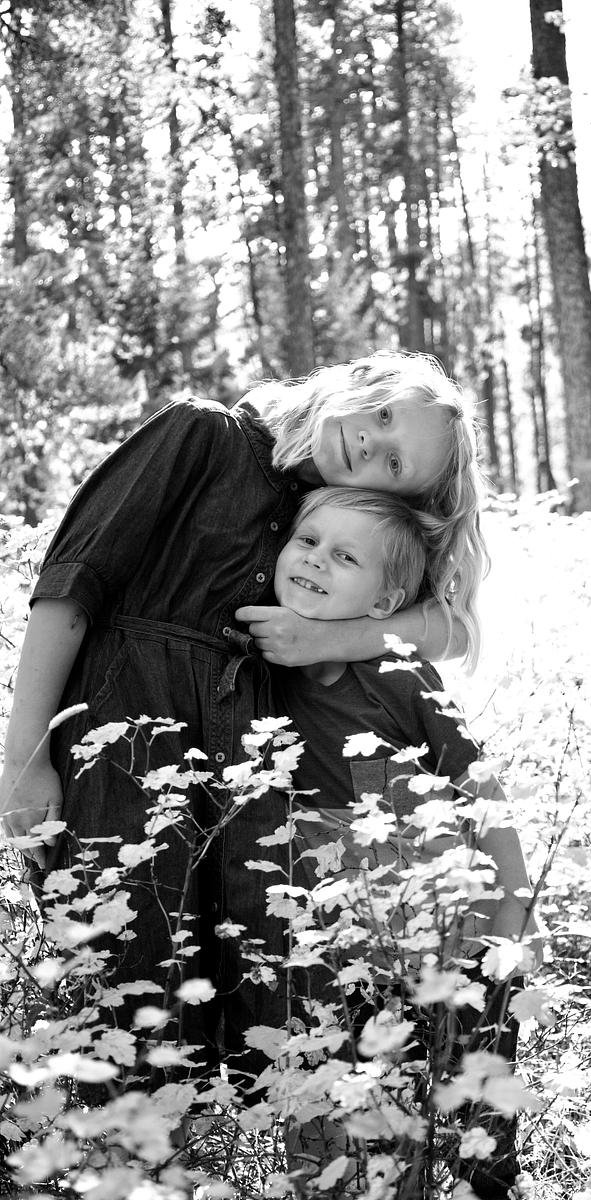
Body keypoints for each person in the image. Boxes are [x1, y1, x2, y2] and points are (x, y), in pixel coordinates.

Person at [0, 351, 488, 1088]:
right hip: (123, 752)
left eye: (394, 463)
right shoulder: (201, 435)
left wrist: (330, 639)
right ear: (359, 381)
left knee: (245, 1013)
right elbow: (70, 587)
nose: (370, 442)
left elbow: (454, 626)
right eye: (383, 415)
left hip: (242, 784)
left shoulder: (328, 519)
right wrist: (25, 757)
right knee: (132, 994)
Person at [267, 486, 538, 1200]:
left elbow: (478, 782)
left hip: (449, 939)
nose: (315, 560)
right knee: (362, 1131)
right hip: (343, 955)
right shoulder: (254, 678)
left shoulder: (396, 674)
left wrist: (514, 905)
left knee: (478, 1111)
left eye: (344, 557)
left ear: (385, 604)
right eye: (307, 542)